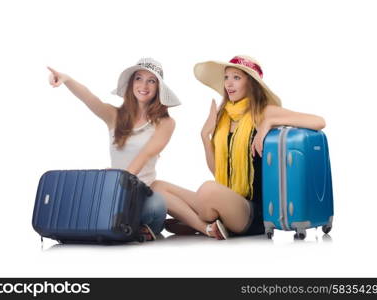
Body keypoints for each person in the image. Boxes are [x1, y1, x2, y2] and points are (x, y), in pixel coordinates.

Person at [152, 55, 325, 240]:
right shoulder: (224, 117)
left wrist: (268, 122)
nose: (229, 84)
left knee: (208, 191)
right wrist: (204, 136)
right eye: (226, 77)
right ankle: (207, 228)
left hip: (252, 211)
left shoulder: (263, 111)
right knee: (157, 187)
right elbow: (217, 172)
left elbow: (318, 121)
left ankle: (194, 220)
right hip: (226, 199)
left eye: (237, 77)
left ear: (250, 83)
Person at [47, 57, 181, 241]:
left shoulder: (165, 123)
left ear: (158, 88)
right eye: (139, 78)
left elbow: (144, 156)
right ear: (131, 83)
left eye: (152, 81)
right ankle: (129, 227)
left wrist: (121, 181)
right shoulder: (114, 116)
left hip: (143, 194)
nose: (144, 85)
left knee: (157, 204)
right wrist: (67, 79)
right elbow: (90, 98)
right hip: (114, 192)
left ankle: (136, 226)